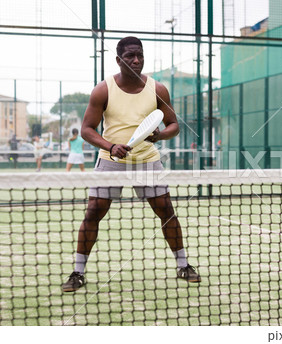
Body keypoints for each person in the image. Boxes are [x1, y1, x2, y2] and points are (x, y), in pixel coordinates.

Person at [62, 36, 200, 292]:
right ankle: (77, 272)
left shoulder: (158, 89)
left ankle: (183, 265)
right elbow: (86, 129)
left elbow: (174, 126)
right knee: (93, 213)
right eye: (130, 56)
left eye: (140, 55)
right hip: (111, 161)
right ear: (119, 60)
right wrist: (110, 146)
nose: (136, 60)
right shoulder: (103, 89)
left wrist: (160, 135)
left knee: (166, 212)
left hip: (147, 161)